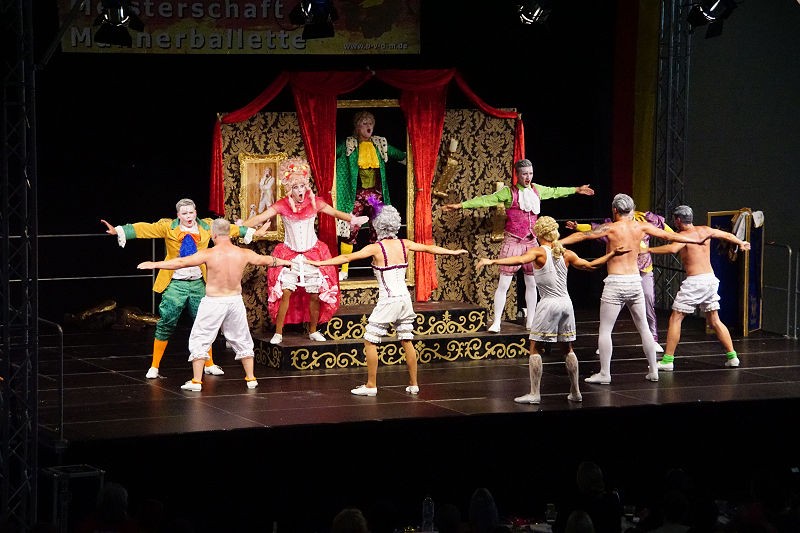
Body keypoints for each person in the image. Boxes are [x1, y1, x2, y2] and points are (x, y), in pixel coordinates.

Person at [305, 204, 468, 396]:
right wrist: (453, 252)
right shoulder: (404, 244)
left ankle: (371, 385)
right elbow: (429, 248)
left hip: (389, 300)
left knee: (370, 341)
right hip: (405, 300)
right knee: (406, 340)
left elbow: (347, 257)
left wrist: (319, 263)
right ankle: (414, 384)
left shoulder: (375, 248)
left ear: (377, 226)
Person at [476, 216, 630, 404]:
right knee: (567, 348)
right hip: (566, 304)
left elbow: (519, 259)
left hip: (549, 304)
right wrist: (612, 254)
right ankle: (575, 392)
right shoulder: (566, 253)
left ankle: (534, 394)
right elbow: (590, 266)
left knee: (534, 348)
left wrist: (492, 261)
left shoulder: (539, 252)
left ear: (538, 234)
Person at [559, 194, 708, 383]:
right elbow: (669, 235)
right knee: (644, 328)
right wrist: (695, 240)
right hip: (635, 281)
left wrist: (559, 242)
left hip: (616, 282)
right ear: (631, 209)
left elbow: (583, 235)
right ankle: (653, 371)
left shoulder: (611, 228)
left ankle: (605, 373)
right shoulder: (642, 226)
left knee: (605, 330)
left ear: (615, 210)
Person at [101, 198, 255, 379]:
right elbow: (146, 228)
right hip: (176, 283)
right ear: (178, 215)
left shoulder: (207, 226)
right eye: (185, 213)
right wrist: (119, 230)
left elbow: (229, 229)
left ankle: (209, 364)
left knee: (206, 324)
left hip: (198, 283)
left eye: (191, 212)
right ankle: (154, 366)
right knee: (166, 322)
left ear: (196, 212)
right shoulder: (169, 227)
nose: (189, 216)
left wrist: (249, 231)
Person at [137, 218, 291, 391]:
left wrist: (154, 264)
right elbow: (267, 260)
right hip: (234, 301)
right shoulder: (243, 253)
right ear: (229, 233)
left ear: (214, 234)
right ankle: (251, 378)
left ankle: (196, 381)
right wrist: (285, 262)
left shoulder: (209, 254)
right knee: (242, 338)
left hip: (214, 302)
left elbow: (181, 262)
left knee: (200, 337)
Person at [442, 158, 594, 333]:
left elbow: (555, 191)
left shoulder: (537, 190)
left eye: (530, 173)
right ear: (517, 175)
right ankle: (496, 321)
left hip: (532, 243)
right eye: (524, 174)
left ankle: (531, 321)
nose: (528, 177)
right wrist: (460, 205)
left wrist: (576, 189)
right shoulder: (509, 193)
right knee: (504, 284)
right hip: (513, 241)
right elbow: (486, 200)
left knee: (531, 283)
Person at [239, 157, 368, 345]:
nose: (299, 190)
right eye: (295, 187)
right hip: (289, 254)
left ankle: (313, 330)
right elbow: (260, 218)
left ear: (306, 186)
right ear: (289, 189)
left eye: (302, 186)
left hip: (312, 254)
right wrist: (241, 227)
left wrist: (353, 219)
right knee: (285, 293)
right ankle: (278, 332)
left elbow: (334, 213)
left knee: (314, 295)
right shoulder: (282, 205)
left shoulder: (315, 203)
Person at [647, 205, 750, 371]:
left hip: (696, 282)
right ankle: (733, 357)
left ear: (678, 220)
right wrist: (741, 242)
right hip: (710, 279)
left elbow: (672, 248)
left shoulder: (683, 236)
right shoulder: (705, 230)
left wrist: (647, 250)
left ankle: (667, 361)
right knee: (714, 320)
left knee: (675, 318)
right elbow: (727, 235)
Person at [566, 211, 673, 354]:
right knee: (612, 310)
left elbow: (665, 229)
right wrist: (578, 226)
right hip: (624, 273)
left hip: (644, 269)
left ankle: (653, 339)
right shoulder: (614, 225)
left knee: (648, 301)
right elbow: (594, 230)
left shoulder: (645, 219)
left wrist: (681, 237)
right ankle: (604, 343)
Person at [335, 110, 407, 280]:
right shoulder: (349, 144)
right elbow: (329, 155)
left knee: (379, 229)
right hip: (356, 195)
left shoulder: (379, 144)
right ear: (357, 126)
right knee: (349, 230)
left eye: (371, 123)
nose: (369, 126)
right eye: (364, 123)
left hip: (375, 195)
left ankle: (379, 267)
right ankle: (344, 269)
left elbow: (401, 155)